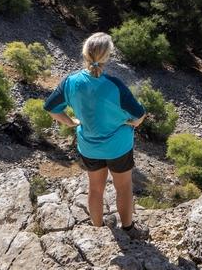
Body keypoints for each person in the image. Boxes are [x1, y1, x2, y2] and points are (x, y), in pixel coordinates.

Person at [44, 32, 150, 235]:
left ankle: (97, 229)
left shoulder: (70, 82)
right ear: (107, 56)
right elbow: (139, 115)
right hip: (118, 147)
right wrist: (130, 123)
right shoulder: (115, 85)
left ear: (85, 54)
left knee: (95, 188)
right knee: (123, 187)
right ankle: (128, 229)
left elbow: (50, 107)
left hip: (89, 146)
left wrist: (71, 122)